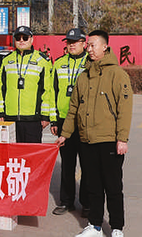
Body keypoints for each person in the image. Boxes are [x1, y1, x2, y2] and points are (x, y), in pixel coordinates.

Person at [57, 30, 133, 237]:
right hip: (87, 140)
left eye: (92, 45)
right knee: (93, 186)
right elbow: (73, 109)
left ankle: (117, 228)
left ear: (105, 47)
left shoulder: (117, 74)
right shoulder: (83, 76)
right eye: (88, 45)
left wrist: (122, 139)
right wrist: (65, 133)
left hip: (109, 140)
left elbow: (124, 109)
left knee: (113, 186)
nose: (89, 49)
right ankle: (95, 226)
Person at [51, 28, 89, 215]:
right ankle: (66, 202)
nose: (71, 45)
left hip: (84, 121)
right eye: (69, 42)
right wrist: (53, 119)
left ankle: (87, 203)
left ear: (84, 43)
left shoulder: (90, 63)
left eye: (75, 42)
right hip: (64, 120)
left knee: (87, 164)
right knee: (67, 163)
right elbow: (52, 91)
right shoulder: (58, 64)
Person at [0, 25, 56, 143]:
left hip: (33, 119)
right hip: (10, 118)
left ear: (31, 39)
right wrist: (0, 113)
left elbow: (47, 90)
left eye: (25, 38)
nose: (21, 41)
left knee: (31, 153)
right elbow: (1, 89)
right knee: (12, 153)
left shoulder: (42, 61)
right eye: (18, 38)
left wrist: (45, 116)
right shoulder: (6, 60)